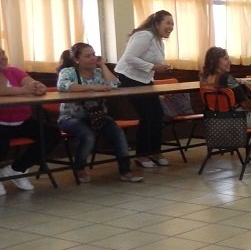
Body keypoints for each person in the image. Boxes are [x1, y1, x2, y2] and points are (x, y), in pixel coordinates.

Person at [56, 43, 144, 184]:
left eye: (94, 54)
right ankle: (80, 168)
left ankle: (125, 170)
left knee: (117, 133)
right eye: (87, 56)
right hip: (71, 117)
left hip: (97, 116)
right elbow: (63, 86)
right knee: (87, 135)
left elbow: (115, 85)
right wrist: (93, 87)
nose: (92, 58)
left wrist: (103, 65)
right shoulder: (68, 72)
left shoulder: (99, 72)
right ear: (77, 59)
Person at [115, 10, 174, 169]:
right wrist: (154, 67)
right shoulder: (145, 35)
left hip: (144, 80)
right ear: (156, 24)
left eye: (172, 24)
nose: (171, 27)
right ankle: (142, 155)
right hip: (129, 79)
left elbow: (152, 64)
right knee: (147, 115)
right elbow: (129, 58)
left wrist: (160, 68)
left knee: (158, 114)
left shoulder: (158, 40)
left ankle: (155, 151)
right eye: (167, 23)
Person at [0, 45, 59, 195]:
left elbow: (31, 82)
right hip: (1, 123)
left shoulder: (14, 71)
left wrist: (39, 87)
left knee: (51, 135)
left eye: (3, 53)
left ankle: (16, 169)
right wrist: (22, 90)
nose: (3, 57)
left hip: (22, 120)